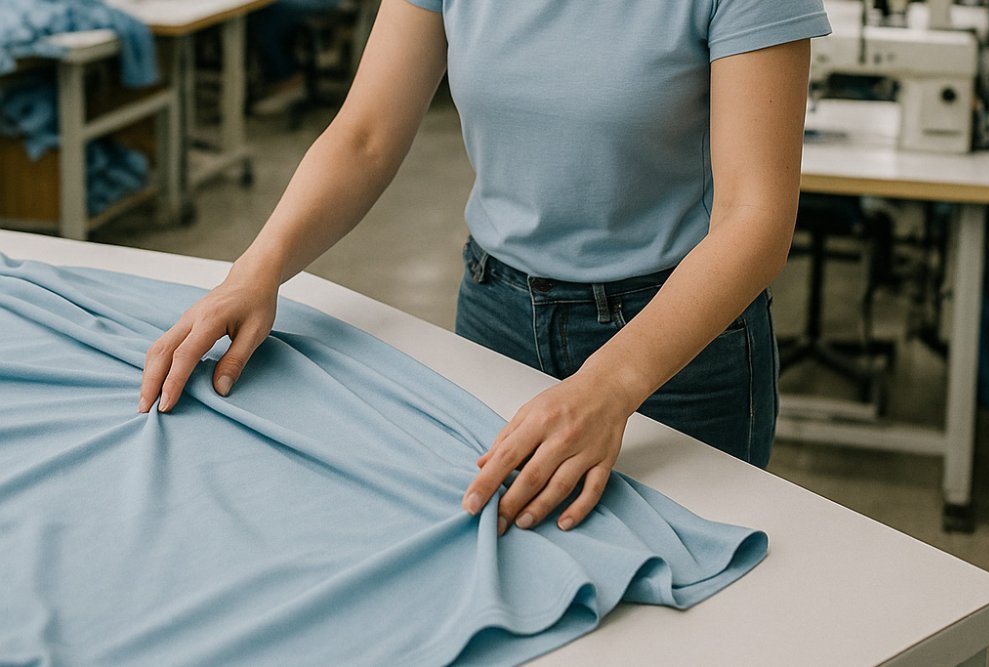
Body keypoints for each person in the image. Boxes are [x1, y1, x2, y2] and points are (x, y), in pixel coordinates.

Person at [140, 0, 831, 536]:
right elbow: (365, 135)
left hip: (675, 346)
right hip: (496, 310)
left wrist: (611, 385)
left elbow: (754, 217)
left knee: (689, 620)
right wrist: (257, 269)